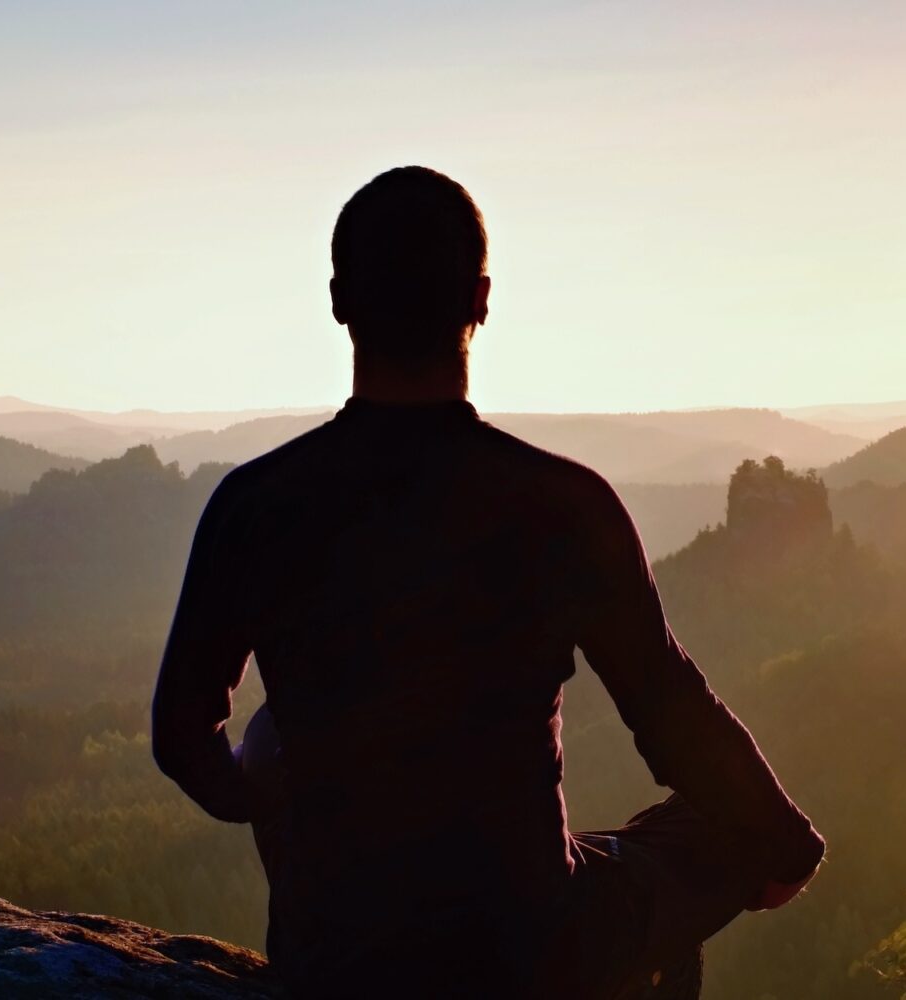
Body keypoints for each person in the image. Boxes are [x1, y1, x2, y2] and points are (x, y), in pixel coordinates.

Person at [151, 166, 824, 999]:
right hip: (529, 950)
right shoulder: (563, 504)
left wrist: (271, 798)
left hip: (334, 958)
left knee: (269, 729)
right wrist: (786, 844)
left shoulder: (255, 505)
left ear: (339, 301)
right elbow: (669, 710)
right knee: (711, 833)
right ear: (480, 299)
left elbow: (182, 735)